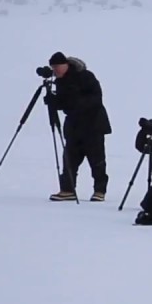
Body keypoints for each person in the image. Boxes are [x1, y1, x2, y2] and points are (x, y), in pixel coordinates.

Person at [43, 51, 112, 201]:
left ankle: (100, 191)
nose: (55, 70)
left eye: (57, 67)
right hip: (74, 126)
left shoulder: (85, 76)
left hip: (93, 124)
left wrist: (75, 102)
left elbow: (96, 99)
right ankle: (67, 189)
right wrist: (53, 101)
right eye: (53, 67)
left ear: (66, 65)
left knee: (97, 160)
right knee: (69, 158)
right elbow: (64, 104)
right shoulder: (60, 81)